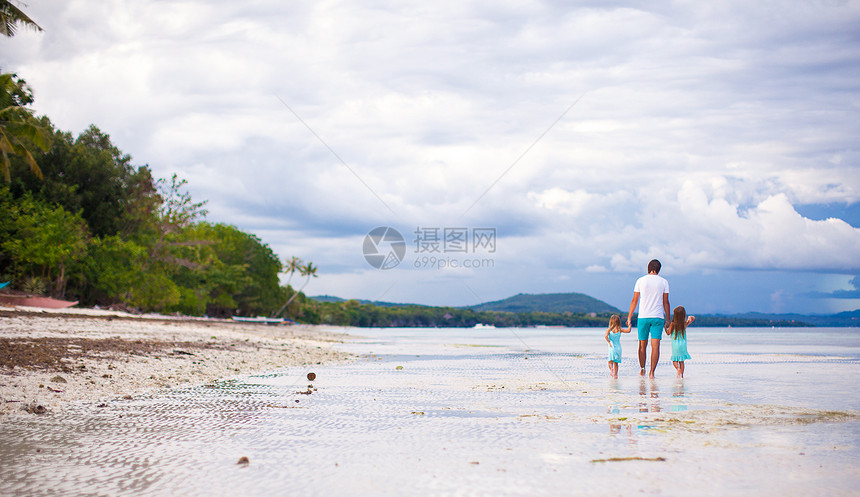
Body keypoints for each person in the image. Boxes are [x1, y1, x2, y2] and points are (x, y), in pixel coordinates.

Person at [626, 259, 670, 378]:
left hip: (643, 317)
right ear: (659, 269)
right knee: (655, 346)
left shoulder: (640, 280)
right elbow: (666, 302)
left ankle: (642, 369)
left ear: (648, 267)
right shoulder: (664, 282)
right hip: (658, 317)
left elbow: (634, 300)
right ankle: (652, 373)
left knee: (642, 345)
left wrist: (629, 317)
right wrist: (668, 319)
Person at [666, 306, 694, 378]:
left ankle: (678, 369)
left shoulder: (673, 324)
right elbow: (692, 319)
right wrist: (690, 318)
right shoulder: (684, 324)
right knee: (681, 361)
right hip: (683, 345)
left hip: (675, 345)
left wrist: (665, 327)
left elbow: (668, 333)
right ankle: (681, 376)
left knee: (674, 360)